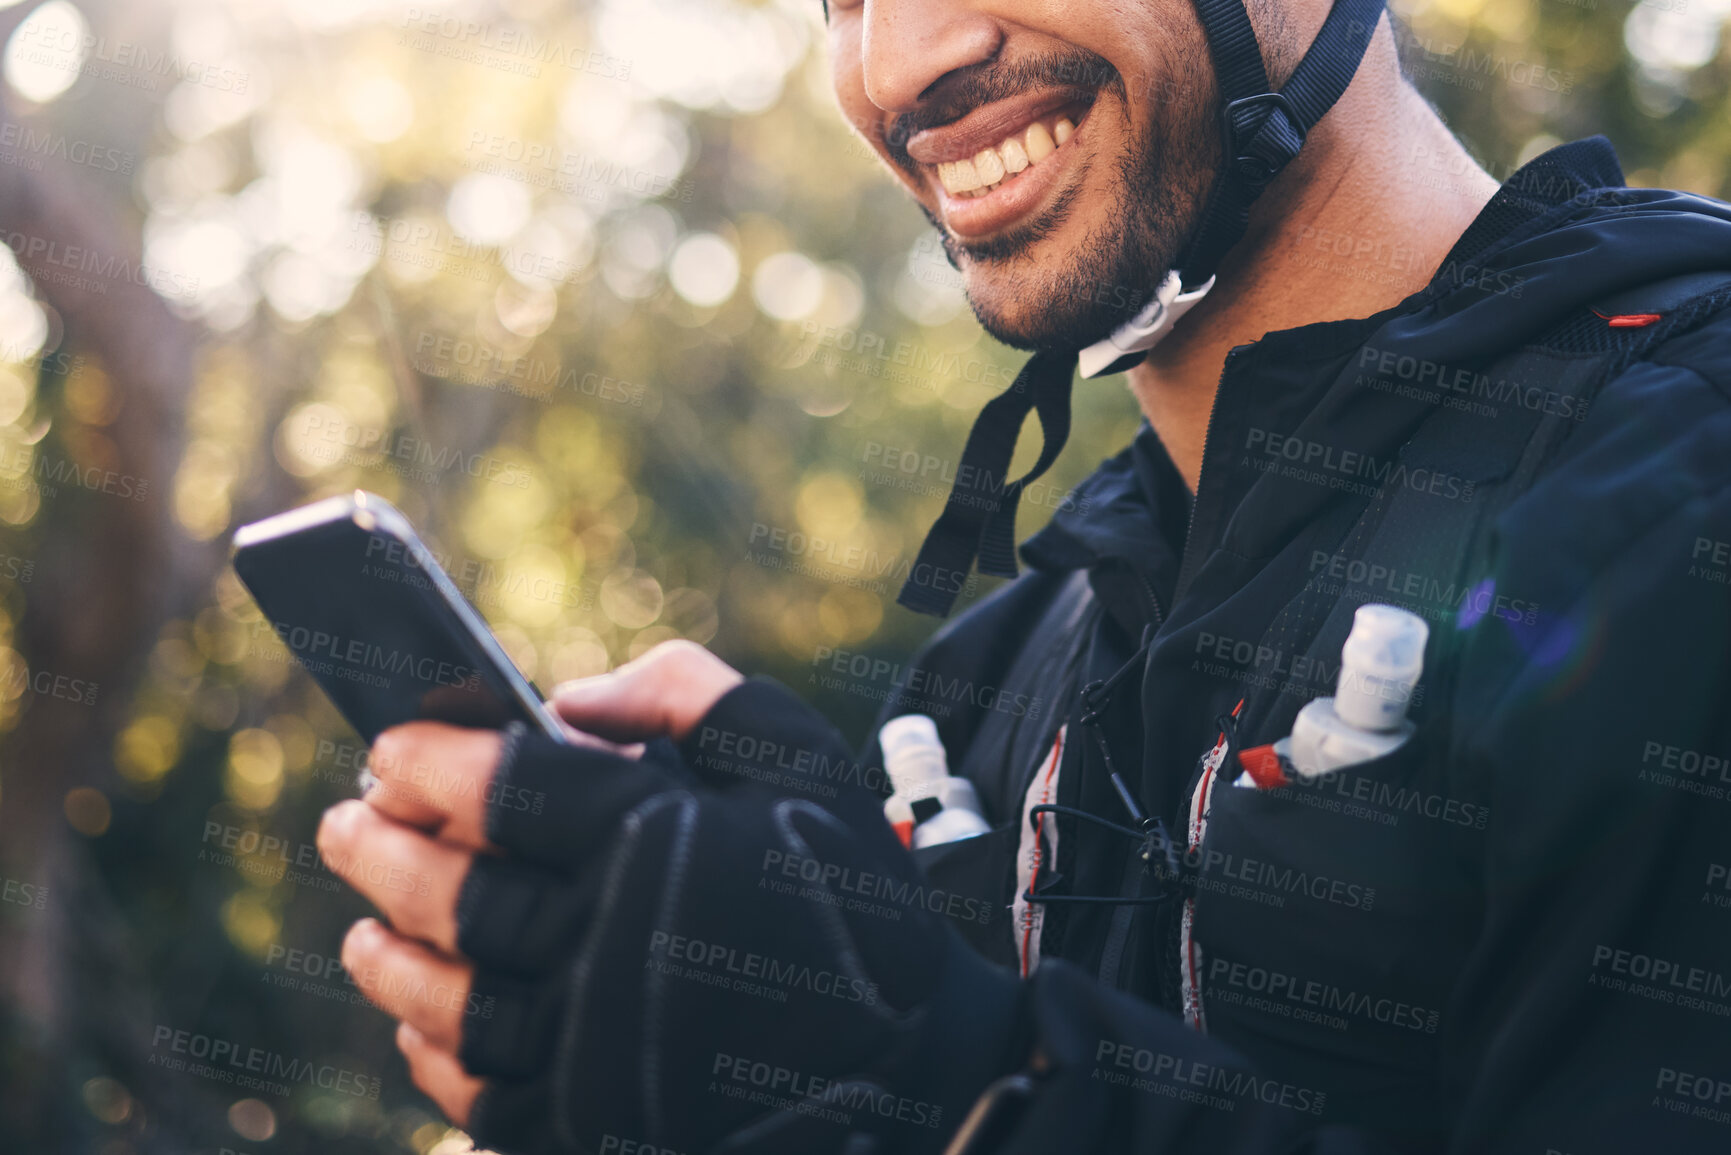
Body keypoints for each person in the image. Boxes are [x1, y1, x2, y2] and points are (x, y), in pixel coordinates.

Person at [315, 0, 1731, 1150]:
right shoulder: (992, 683)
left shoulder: (1687, 475)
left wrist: (949, 1079)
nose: (894, 62)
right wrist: (818, 942)